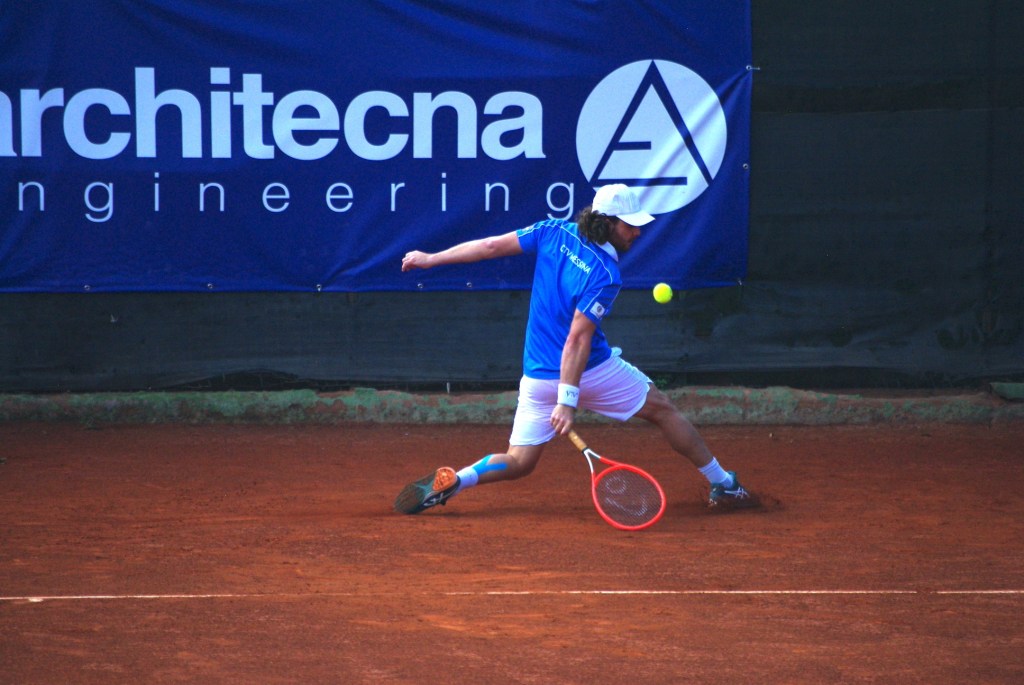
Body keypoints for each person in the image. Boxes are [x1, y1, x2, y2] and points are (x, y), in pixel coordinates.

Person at [394, 184, 758, 516]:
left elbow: (489, 247)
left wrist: (430, 259)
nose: (637, 232)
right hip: (589, 371)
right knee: (661, 408)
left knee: (520, 461)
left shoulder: (551, 231)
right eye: (629, 225)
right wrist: (568, 400)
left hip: (537, 376)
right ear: (606, 223)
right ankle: (724, 483)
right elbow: (577, 340)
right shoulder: (605, 274)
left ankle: (458, 479)